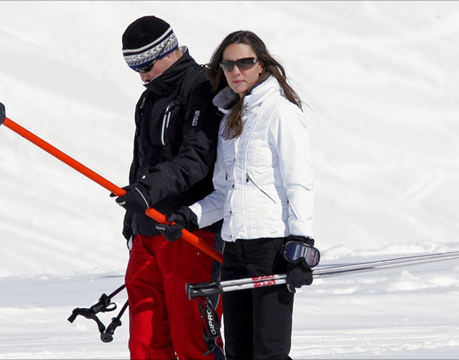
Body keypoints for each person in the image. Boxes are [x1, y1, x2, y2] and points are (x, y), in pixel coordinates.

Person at [158, 30, 315, 360]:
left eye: (245, 62)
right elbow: (224, 193)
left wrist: (301, 245)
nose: (236, 71)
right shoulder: (229, 120)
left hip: (272, 248)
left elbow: (298, 183)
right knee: (239, 353)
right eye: (228, 65)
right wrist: (189, 216)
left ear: (261, 65)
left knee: (269, 352)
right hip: (234, 248)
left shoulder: (281, 113)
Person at [114, 15, 224, 360]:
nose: (143, 76)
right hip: (147, 235)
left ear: (168, 50)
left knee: (192, 339)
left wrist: (149, 190)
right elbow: (143, 159)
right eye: (136, 70)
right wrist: (133, 224)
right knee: (145, 343)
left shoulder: (202, 88)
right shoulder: (148, 99)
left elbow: (197, 158)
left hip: (187, 233)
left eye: (146, 65)